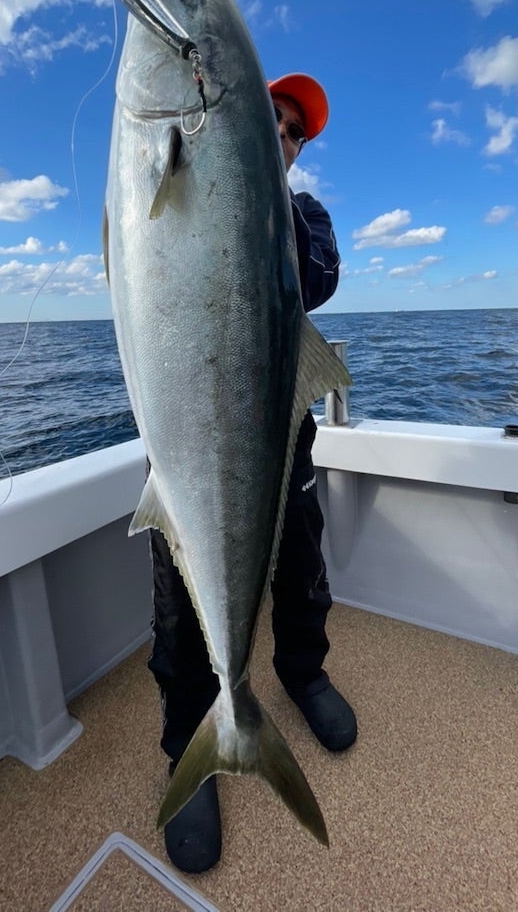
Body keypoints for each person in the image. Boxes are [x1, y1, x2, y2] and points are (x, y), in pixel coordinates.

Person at [148, 73, 357, 873]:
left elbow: (321, 278)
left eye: (293, 132)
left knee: (302, 565)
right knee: (178, 603)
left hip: (279, 436)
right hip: (186, 437)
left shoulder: (307, 217)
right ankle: (189, 743)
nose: (280, 133)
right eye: (267, 117)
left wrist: (259, 213)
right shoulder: (182, 183)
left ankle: (303, 673)